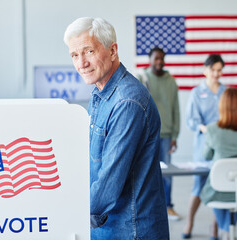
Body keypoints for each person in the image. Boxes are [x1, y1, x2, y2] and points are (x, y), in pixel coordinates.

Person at [63, 17, 169, 239]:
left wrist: (65, 213)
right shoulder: (100, 94)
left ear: (112, 51)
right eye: (75, 55)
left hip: (131, 229)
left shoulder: (127, 102)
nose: (81, 63)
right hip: (109, 226)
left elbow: (108, 184)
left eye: (89, 51)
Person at [200, 88, 237, 240]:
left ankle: (225, 231)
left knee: (213, 191)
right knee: (235, 194)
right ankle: (228, 232)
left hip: (217, 190)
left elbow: (206, 155)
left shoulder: (212, 129)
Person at [183, 54, 227, 239]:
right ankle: (189, 222)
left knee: (219, 185)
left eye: (219, 70)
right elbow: (191, 119)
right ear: (205, 70)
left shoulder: (226, 91)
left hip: (223, 146)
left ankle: (214, 228)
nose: (216, 74)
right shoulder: (196, 92)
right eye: (213, 70)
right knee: (199, 186)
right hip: (203, 145)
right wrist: (205, 128)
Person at [137, 47, 181, 221]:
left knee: (167, 174)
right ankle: (150, 209)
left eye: (162, 58)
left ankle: (168, 207)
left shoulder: (171, 82)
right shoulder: (143, 77)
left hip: (167, 135)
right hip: (147, 134)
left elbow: (175, 109)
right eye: (156, 58)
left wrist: (175, 135)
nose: (159, 61)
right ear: (150, 59)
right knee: (146, 172)